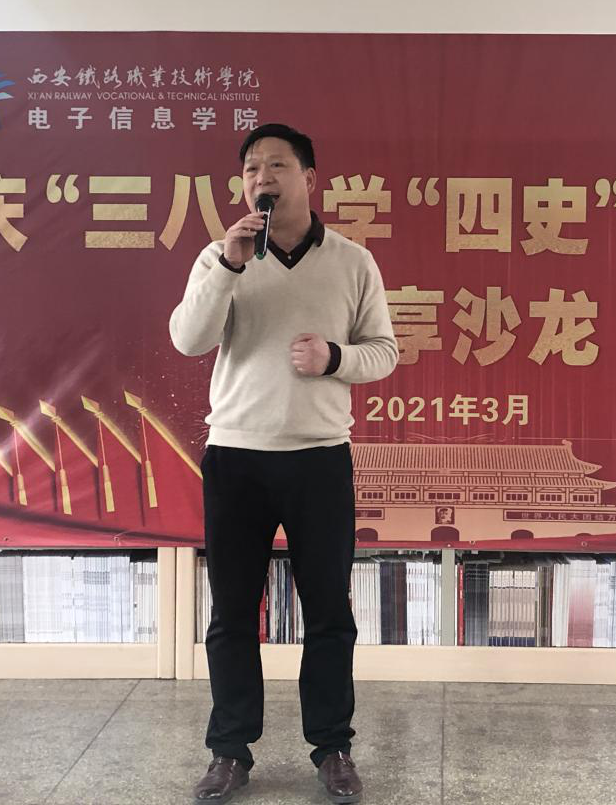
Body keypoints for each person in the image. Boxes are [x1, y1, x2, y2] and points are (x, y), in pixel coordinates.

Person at [169, 123, 398, 804]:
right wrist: (228, 267)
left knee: (328, 612)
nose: (260, 178)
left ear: (309, 178)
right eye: (250, 168)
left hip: (319, 458)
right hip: (236, 456)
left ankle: (332, 748)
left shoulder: (353, 262)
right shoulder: (221, 256)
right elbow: (188, 339)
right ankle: (229, 751)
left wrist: (335, 358)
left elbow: (384, 351)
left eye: (276, 165)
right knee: (232, 613)